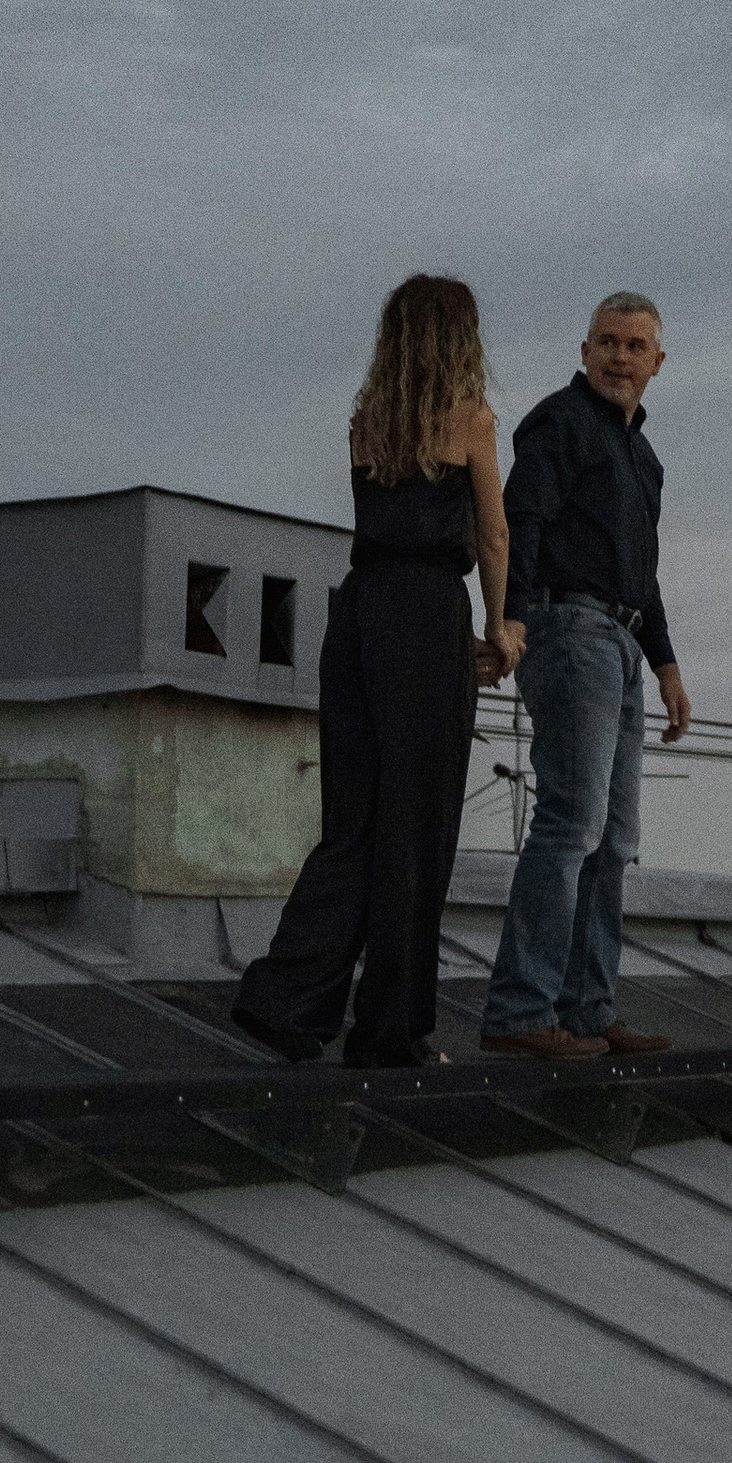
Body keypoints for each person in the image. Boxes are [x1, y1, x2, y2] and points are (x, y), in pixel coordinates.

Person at [234, 272, 516, 1069]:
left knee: (353, 823)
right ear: (460, 339)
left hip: (356, 615)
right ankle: (390, 1030)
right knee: (416, 829)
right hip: (427, 615)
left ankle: (285, 1000)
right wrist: (497, 626)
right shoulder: (473, 419)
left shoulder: (366, 422)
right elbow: (492, 536)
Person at [478, 292, 692, 1062]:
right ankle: (520, 1012)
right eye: (607, 342)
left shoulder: (645, 459)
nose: (620, 357)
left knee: (616, 837)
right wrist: (514, 623)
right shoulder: (557, 423)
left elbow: (644, 573)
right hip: (568, 630)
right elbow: (519, 519)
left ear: (657, 363)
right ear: (584, 350)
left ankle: (588, 1009)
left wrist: (666, 665)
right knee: (573, 822)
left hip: (625, 644)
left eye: (636, 346)